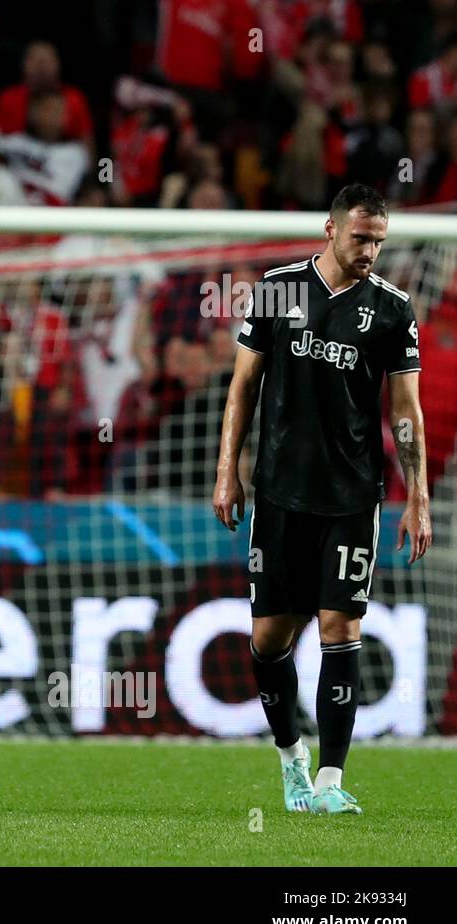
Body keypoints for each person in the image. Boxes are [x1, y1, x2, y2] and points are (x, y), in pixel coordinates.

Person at [213, 184, 430, 816]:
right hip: (280, 496)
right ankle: (292, 762)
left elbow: (406, 412)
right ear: (329, 229)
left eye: (379, 243)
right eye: (361, 238)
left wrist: (418, 497)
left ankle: (332, 780)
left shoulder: (393, 312)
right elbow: (243, 388)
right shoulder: (279, 289)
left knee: (341, 627)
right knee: (268, 643)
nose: (370, 252)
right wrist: (229, 472)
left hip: (351, 498)